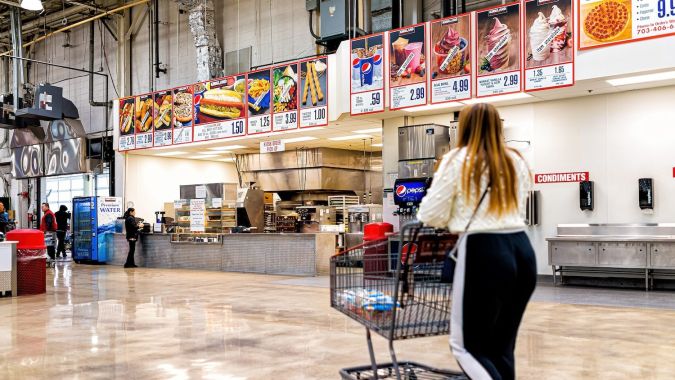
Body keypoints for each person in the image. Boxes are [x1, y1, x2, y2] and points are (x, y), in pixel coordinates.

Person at [417, 103, 535, 380]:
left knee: (466, 347)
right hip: (522, 249)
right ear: (498, 126)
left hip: (484, 251)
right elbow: (519, 206)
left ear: (465, 127)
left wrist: (452, 216)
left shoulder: (458, 159)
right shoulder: (515, 159)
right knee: (501, 347)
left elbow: (431, 214)